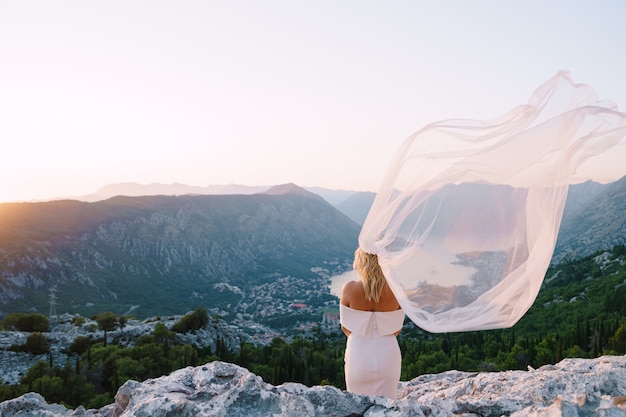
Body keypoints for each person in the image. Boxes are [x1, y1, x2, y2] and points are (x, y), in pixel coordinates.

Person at [340, 247, 405, 400]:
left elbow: (345, 327)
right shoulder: (396, 289)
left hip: (358, 352)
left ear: (362, 262)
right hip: (389, 353)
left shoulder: (350, 288)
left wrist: (362, 335)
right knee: (388, 405)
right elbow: (396, 330)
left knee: (357, 404)